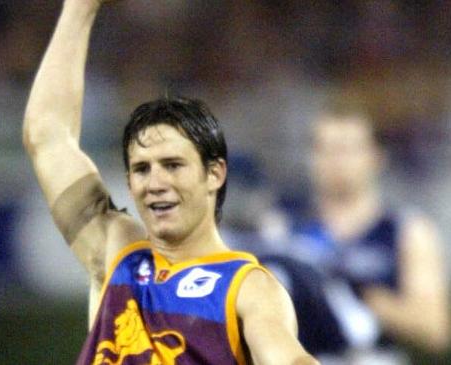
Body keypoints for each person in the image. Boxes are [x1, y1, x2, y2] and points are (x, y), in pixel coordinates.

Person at [22, 1, 318, 364]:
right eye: (142, 169)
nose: (156, 182)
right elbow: (47, 136)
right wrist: (78, 9)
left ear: (215, 174)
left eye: (173, 165)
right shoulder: (117, 254)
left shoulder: (247, 287)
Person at [259, 103, 451, 363]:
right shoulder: (281, 226)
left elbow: (436, 331)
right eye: (324, 149)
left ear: (376, 156)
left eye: (347, 149)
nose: (336, 161)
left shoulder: (405, 230)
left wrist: (353, 294)